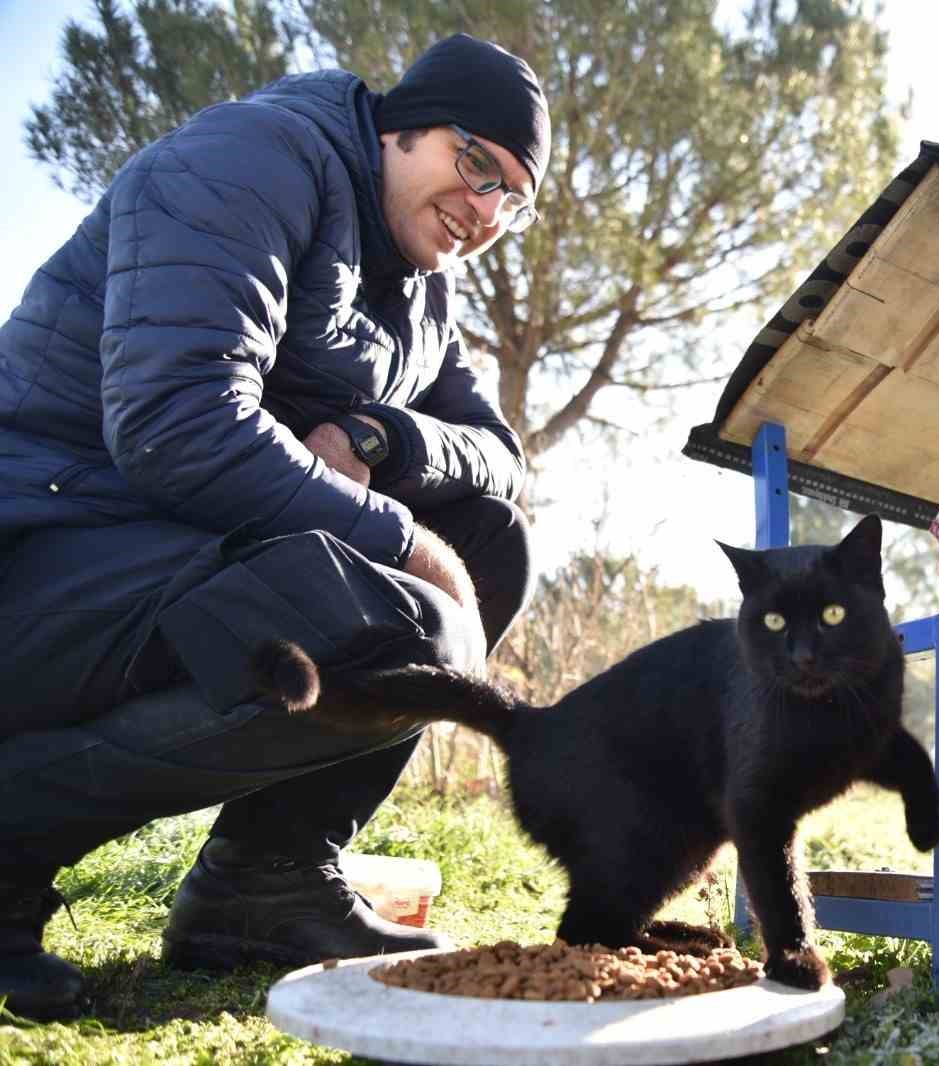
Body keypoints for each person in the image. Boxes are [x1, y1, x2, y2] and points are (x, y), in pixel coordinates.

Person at [0, 33, 550, 1020]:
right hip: (48, 546)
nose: (485, 210)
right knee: (415, 621)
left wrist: (383, 436)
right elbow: (176, 424)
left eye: (513, 195)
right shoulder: (246, 162)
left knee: (491, 536)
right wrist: (402, 539)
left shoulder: (424, 289)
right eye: (476, 164)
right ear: (399, 129)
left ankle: (265, 884)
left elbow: (500, 452)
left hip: (175, 552)